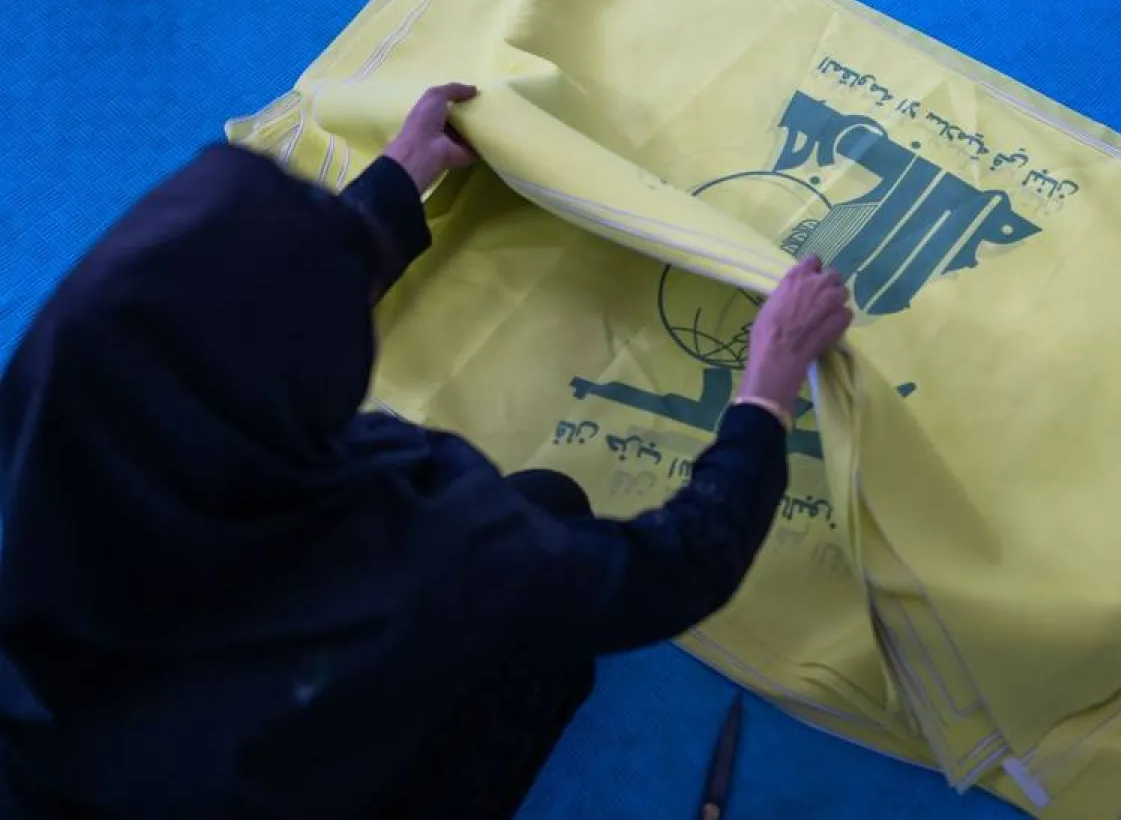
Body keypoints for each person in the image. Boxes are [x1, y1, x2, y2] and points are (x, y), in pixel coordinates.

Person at [0, 84, 853, 819]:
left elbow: (224, 315)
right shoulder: (415, 544)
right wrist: (765, 391)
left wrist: (395, 186)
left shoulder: (59, 411)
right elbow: (676, 567)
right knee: (551, 507)